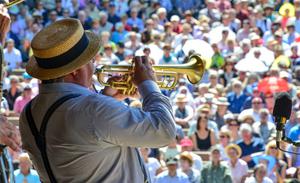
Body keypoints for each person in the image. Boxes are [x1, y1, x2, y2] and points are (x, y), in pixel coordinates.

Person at [19, 19, 176, 182]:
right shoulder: (93, 109)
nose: (95, 67)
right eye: (92, 61)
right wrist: (148, 83)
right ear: (75, 71)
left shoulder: (28, 112)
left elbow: (82, 140)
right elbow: (164, 131)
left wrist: (105, 99)